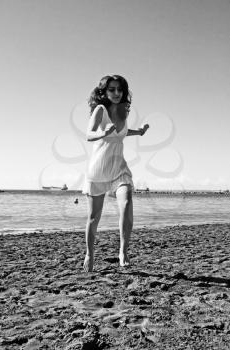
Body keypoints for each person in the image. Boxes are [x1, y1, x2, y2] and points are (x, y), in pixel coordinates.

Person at [82, 74, 149, 272]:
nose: (117, 93)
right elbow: (89, 134)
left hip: (119, 168)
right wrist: (103, 133)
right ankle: (89, 254)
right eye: (112, 89)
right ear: (104, 92)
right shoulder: (100, 110)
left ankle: (123, 251)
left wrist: (138, 132)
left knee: (127, 201)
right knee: (94, 217)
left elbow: (122, 132)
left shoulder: (123, 111)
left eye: (120, 89)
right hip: (98, 170)